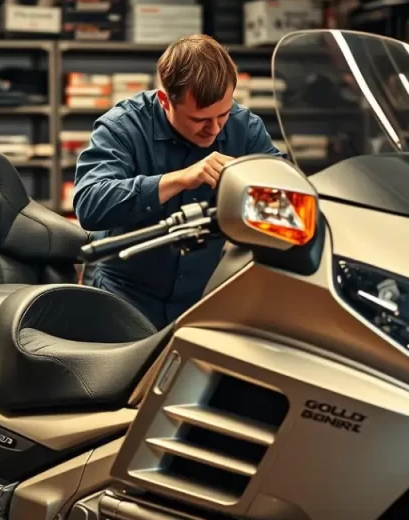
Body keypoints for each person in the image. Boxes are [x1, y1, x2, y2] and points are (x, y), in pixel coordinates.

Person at [73, 34, 284, 329]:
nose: (214, 129)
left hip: (202, 298)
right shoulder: (122, 127)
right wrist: (181, 179)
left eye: (222, 114)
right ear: (164, 100)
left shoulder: (244, 127)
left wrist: (252, 187)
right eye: (199, 119)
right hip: (123, 298)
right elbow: (91, 205)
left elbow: (286, 200)